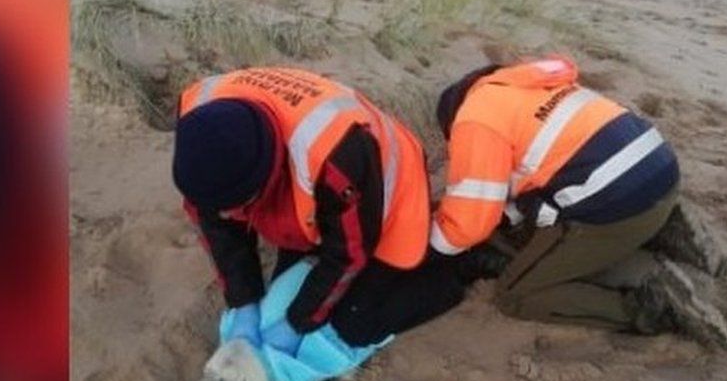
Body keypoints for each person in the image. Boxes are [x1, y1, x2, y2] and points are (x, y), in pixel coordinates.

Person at [172, 67, 469, 353]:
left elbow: (348, 254)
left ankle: (461, 269)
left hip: (390, 194)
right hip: (326, 190)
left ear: (269, 173)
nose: (229, 215)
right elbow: (213, 221)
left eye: (240, 205)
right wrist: (243, 302)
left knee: (353, 324)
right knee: (280, 300)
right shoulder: (196, 115)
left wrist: (296, 323)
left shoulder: (336, 153)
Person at [430, 56, 683, 333]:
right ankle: (665, 231)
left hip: (617, 205)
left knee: (517, 296)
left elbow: (466, 227)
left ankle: (655, 312)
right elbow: (533, 177)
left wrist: (429, 248)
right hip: (663, 173)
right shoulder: (528, 87)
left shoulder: (474, 119)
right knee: (535, 218)